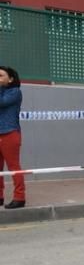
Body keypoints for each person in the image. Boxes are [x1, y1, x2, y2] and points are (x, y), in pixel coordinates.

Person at [0, 65, 25, 209]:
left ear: (10, 79)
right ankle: (0, 196)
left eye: (0, 75)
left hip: (10, 133)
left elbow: (1, 102)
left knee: (14, 167)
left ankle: (19, 197)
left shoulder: (15, 92)